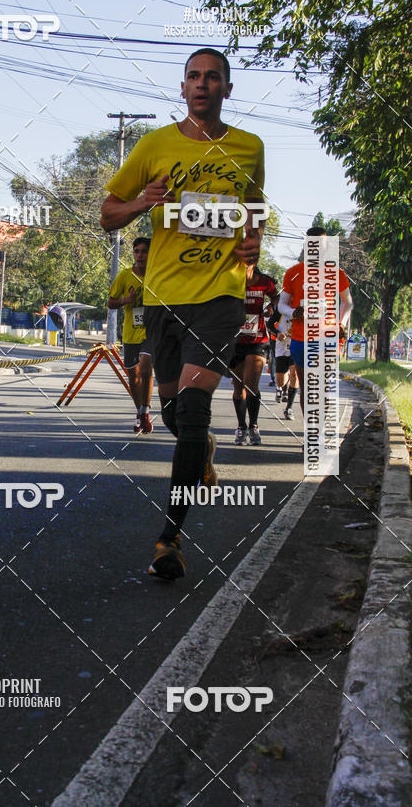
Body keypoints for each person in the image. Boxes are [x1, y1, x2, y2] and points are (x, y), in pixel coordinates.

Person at [100, 47, 265, 580]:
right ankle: (203, 447)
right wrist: (140, 205)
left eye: (212, 77)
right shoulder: (154, 145)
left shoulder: (250, 147)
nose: (202, 84)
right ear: (183, 88)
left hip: (221, 297)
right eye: (193, 76)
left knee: (193, 413)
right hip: (164, 300)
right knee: (175, 418)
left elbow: (255, 210)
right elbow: (108, 216)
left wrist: (252, 243)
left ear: (227, 89)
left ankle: (168, 540)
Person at [281, 226, 353, 414]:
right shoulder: (293, 272)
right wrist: (293, 312)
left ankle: (318, 432)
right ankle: (312, 435)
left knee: (321, 387)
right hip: (300, 337)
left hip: (326, 337)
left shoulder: (336, 273)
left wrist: (342, 323)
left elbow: (348, 302)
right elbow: (282, 305)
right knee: (307, 388)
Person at [108, 237, 154, 434]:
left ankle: (145, 409)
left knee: (145, 370)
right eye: (136, 251)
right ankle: (140, 412)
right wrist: (126, 299)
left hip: (151, 332)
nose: (140, 255)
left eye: (144, 251)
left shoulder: (157, 275)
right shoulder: (124, 276)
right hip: (130, 333)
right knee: (133, 375)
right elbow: (111, 303)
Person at [229, 265, 278, 445]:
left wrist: (271, 306)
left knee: (251, 385)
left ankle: (254, 426)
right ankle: (241, 427)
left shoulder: (265, 281)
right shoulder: (230, 279)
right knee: (238, 386)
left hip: (258, 340)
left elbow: (276, 296)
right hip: (235, 340)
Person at [273, 310, 299, 419]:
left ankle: (289, 408)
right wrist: (277, 333)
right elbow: (270, 324)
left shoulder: (303, 309)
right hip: (282, 348)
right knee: (281, 382)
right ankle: (287, 377)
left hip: (297, 345)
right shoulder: (281, 309)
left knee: (295, 375)